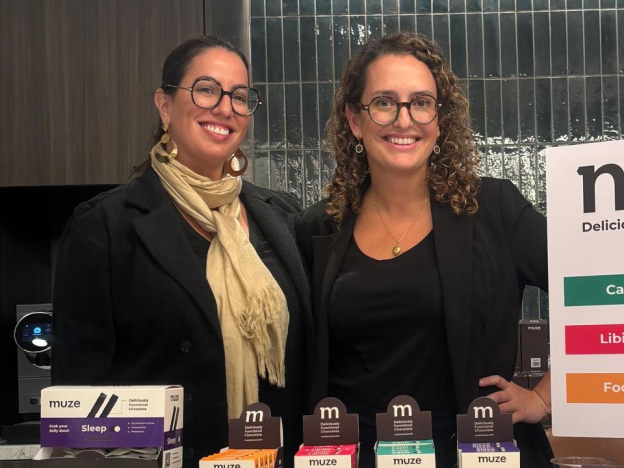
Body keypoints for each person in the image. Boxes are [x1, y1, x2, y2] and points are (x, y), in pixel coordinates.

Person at [52, 36, 312, 467]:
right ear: (165, 105)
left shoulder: (283, 216)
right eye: (207, 90)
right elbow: (79, 394)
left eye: (240, 96)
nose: (226, 108)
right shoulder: (104, 226)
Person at [296, 32, 553, 467]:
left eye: (421, 102)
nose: (404, 120)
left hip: (473, 452)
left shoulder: (495, 209)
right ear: (355, 120)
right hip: (357, 455)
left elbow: (600, 296)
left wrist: (543, 398)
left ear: (439, 119)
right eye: (384, 102)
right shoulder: (319, 228)